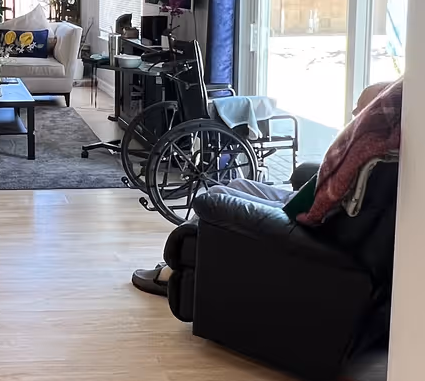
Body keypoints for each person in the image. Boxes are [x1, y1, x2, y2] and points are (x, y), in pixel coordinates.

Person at [129, 80, 398, 297]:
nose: (353, 113)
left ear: (375, 112)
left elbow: (321, 206)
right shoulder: (372, 143)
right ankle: (187, 262)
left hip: (309, 216)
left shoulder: (365, 147)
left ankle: (174, 270)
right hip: (311, 200)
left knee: (215, 197)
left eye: (361, 107)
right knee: (237, 184)